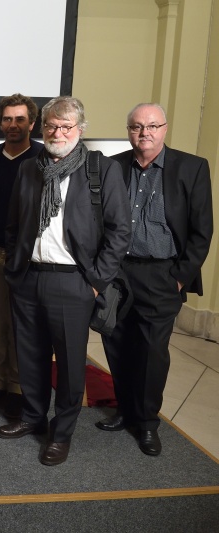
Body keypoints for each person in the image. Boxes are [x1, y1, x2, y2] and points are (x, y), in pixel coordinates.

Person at [0, 96, 130, 466]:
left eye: (65, 127)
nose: (57, 133)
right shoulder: (29, 169)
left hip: (74, 282)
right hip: (28, 279)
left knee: (71, 364)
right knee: (31, 355)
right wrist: (14, 269)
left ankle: (63, 432)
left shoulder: (99, 170)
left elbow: (120, 232)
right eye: (51, 127)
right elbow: (13, 226)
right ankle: (32, 415)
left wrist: (95, 282)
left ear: (80, 130)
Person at [98, 103, 213, 456]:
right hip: (118, 271)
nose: (144, 132)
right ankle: (125, 409)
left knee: (151, 352)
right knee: (116, 343)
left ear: (164, 128)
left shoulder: (191, 167)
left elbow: (201, 231)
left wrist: (178, 279)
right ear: (128, 129)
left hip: (162, 274)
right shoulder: (112, 166)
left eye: (152, 125)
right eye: (136, 126)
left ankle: (146, 422)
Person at [0, 94, 43, 418]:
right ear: (0, 122)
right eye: (7, 119)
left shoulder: (43, 157)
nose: (12, 125)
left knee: (22, 324)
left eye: (19, 119)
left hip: (29, 257)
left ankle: (18, 386)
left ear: (32, 122)